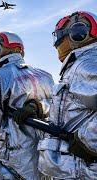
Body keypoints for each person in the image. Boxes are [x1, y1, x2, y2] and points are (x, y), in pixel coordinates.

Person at [15, 11, 97, 179]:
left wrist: (89, 141)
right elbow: (69, 107)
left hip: (83, 170)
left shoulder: (87, 64)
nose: (57, 43)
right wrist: (38, 106)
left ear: (79, 34)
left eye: (60, 36)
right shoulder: (77, 65)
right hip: (73, 170)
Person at [0, 32, 54, 179]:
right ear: (21, 51)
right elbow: (55, 109)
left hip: (13, 159)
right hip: (45, 155)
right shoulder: (46, 76)